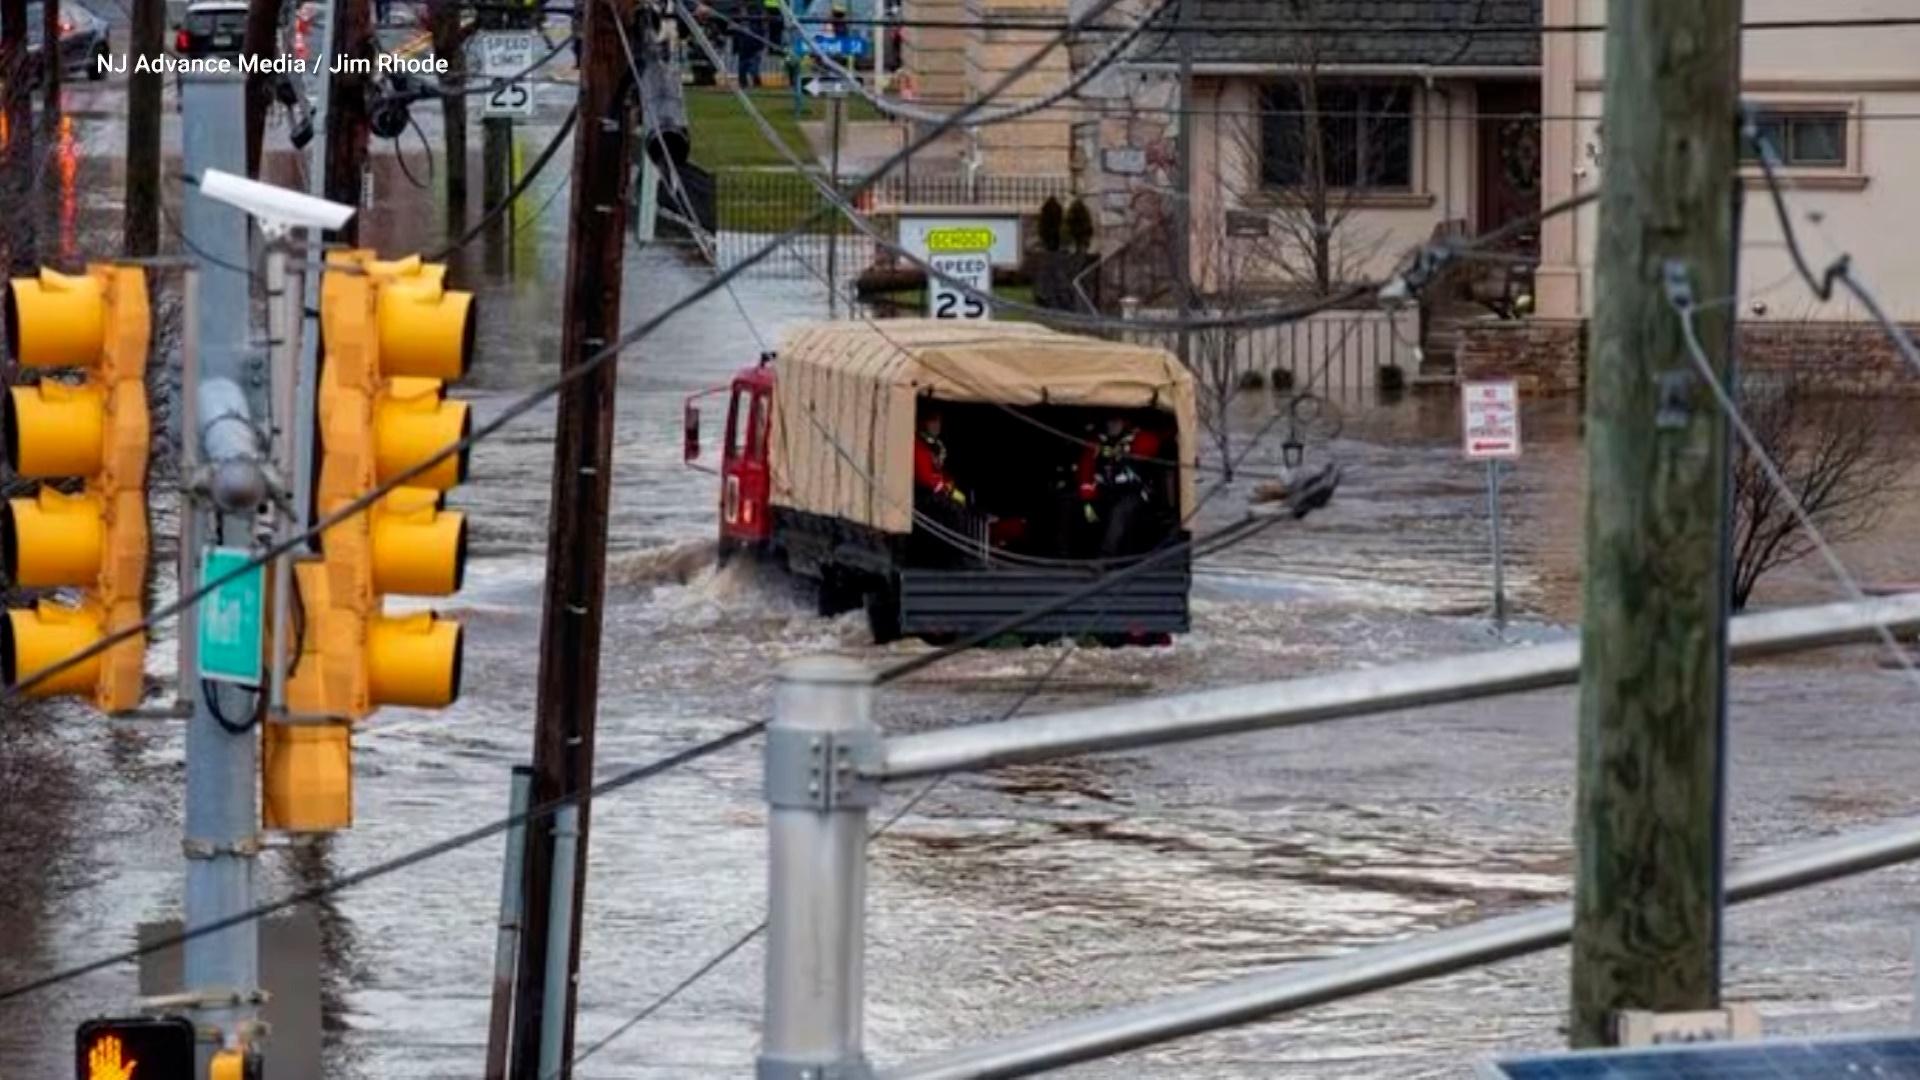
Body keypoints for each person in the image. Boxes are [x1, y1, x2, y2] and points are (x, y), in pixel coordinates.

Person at [1077, 414, 1163, 557]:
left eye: (1116, 421)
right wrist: (1087, 503)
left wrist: (1121, 453)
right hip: (1104, 492)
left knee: (1120, 511)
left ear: (1125, 422)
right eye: (1109, 421)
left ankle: (1106, 557)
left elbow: (1152, 444)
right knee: (1073, 506)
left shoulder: (1139, 438)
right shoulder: (1096, 443)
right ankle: (1070, 555)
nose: (1112, 425)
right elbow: (1085, 472)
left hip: (1134, 492)